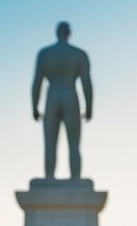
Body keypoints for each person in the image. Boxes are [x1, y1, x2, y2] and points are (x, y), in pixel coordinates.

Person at [32, 21, 93, 180]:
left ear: (57, 32)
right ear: (69, 33)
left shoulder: (45, 54)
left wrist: (34, 107)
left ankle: (50, 179)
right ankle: (74, 179)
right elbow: (86, 83)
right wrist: (89, 108)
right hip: (70, 96)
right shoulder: (79, 54)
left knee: (50, 145)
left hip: (52, 97)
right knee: (74, 145)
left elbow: (37, 82)